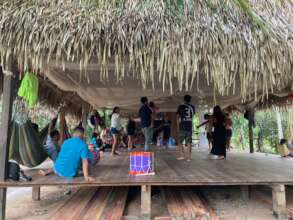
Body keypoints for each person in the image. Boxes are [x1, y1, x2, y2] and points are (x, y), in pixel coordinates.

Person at [177, 95, 196, 161]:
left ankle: (182, 155)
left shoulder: (181, 106)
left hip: (182, 126)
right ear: (190, 100)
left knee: (180, 141)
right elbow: (193, 115)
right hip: (189, 126)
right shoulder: (193, 107)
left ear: (184, 99)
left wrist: (178, 126)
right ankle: (189, 158)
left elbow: (178, 117)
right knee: (189, 142)